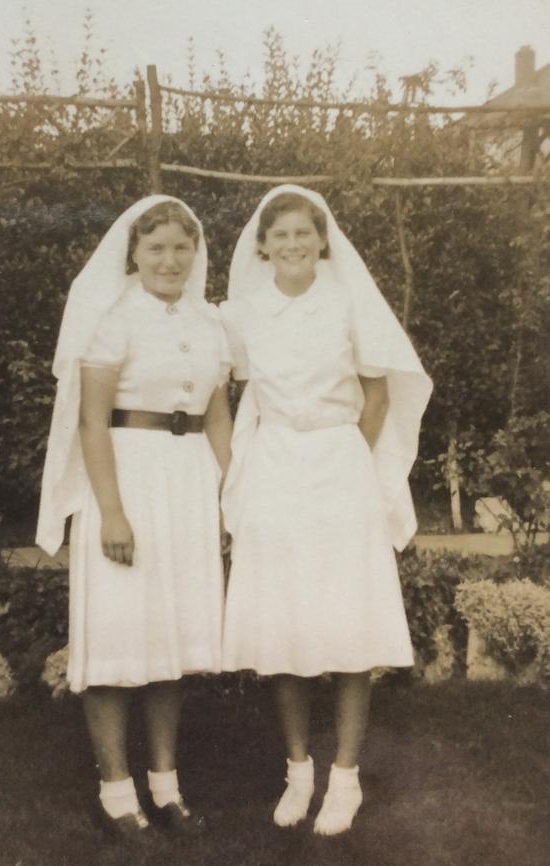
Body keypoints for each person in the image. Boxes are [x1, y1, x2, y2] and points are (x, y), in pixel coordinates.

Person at [219, 185, 432, 836]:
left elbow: (377, 395)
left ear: (321, 241)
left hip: (339, 463)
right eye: (279, 235)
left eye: (302, 235)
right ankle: (297, 770)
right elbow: (223, 385)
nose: (291, 245)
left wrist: (348, 460)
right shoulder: (244, 312)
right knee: (281, 624)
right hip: (274, 465)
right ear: (263, 245)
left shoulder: (346, 302)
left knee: (347, 624)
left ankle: (345, 777)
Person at [36, 196, 232, 841]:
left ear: (195, 254)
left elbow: (218, 415)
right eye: (157, 248)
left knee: (171, 641)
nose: (170, 260)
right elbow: (93, 420)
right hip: (125, 477)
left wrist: (231, 496)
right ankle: (116, 791)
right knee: (118, 634)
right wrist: (112, 512)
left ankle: (166, 786)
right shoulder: (111, 320)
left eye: (182, 247)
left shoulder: (211, 324)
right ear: (135, 255)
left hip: (188, 480)